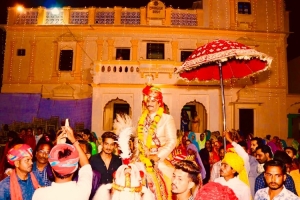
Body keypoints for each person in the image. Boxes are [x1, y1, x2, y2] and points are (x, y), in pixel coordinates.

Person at [137, 85, 177, 200]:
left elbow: (172, 141)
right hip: (142, 157)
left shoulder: (167, 118)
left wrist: (157, 156)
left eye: (153, 100)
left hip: (161, 159)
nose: (150, 103)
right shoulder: (141, 119)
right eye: (148, 100)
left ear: (159, 103)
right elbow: (138, 140)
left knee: (169, 183)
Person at [32, 126, 93, 200]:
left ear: (52, 170)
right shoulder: (82, 191)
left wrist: (58, 145)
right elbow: (85, 165)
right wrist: (73, 140)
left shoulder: (40, 194)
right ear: (75, 170)